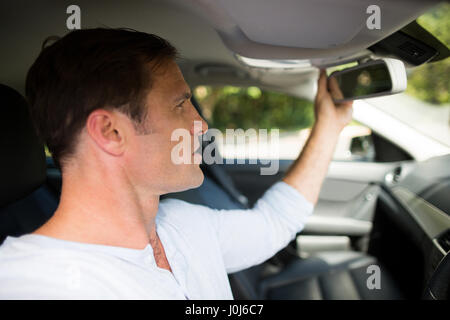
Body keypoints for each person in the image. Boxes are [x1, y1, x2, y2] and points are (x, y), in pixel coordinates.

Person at [0, 28, 352, 299]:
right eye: (181, 104)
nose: (199, 125)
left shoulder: (184, 225)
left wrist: (329, 125)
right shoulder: (29, 281)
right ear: (110, 131)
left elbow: (275, 222)